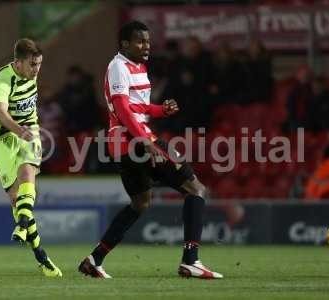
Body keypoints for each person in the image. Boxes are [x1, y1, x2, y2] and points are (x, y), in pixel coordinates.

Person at [78, 21, 223, 279]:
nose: (146, 46)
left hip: (125, 144)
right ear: (124, 44)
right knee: (195, 189)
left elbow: (138, 108)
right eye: (139, 41)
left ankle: (94, 259)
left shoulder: (139, 68)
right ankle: (191, 260)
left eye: (147, 41)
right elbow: (122, 109)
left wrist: (160, 110)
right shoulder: (118, 67)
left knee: (140, 202)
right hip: (136, 141)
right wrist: (145, 141)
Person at [0, 38, 62, 277]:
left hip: (29, 129)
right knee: (16, 199)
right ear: (18, 63)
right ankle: (42, 257)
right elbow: (1, 113)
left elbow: (6, 99)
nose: (37, 69)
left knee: (27, 171)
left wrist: (23, 129)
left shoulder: (30, 73)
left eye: (39, 64)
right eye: (33, 64)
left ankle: (22, 225)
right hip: (3, 138)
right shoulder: (2, 78)